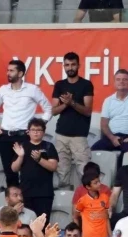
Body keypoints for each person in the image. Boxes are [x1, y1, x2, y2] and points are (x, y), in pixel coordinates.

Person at [0, 59, 52, 187]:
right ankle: (13, 199)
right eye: (8, 70)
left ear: (21, 73)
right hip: (5, 137)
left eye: (12, 71)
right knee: (9, 173)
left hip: (25, 137)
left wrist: (36, 127)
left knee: (27, 172)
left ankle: (27, 199)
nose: (8, 73)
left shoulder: (32, 89)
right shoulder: (3, 90)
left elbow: (48, 109)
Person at [52, 52, 93, 188]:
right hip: (61, 135)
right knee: (62, 173)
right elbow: (53, 111)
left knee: (84, 172)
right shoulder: (59, 85)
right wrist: (66, 104)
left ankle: (85, 198)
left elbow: (88, 111)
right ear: (63, 66)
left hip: (79, 136)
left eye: (73, 64)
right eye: (67, 65)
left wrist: (72, 103)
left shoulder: (86, 84)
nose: (70, 68)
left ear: (78, 66)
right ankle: (64, 198)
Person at [11, 118, 59, 223]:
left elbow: (53, 167)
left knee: (42, 224)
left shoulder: (48, 146)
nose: (36, 132)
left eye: (39, 130)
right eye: (33, 130)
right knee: (26, 224)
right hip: (25, 192)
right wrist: (20, 156)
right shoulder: (22, 146)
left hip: (44, 193)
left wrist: (39, 159)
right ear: (28, 132)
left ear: (43, 132)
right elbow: (14, 168)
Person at [93, 70, 128, 156]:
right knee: (93, 152)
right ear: (114, 82)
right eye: (118, 79)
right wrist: (112, 138)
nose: (121, 82)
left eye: (124, 79)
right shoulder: (108, 100)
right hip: (111, 137)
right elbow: (103, 124)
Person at [74, 171, 111, 237]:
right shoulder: (82, 201)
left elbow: (106, 218)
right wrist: (79, 233)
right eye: (95, 183)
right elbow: (75, 216)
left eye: (99, 181)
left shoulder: (105, 198)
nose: (99, 184)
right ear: (88, 187)